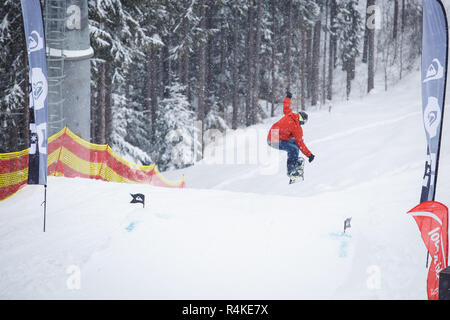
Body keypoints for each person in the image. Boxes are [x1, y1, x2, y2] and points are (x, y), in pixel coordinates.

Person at [267, 90, 315, 181]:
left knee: (294, 143)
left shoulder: (290, 114)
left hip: (273, 135)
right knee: (294, 148)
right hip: (274, 140)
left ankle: (294, 161)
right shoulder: (296, 127)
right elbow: (301, 144)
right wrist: (309, 155)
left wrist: (288, 97)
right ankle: (291, 171)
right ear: (303, 120)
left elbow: (286, 106)